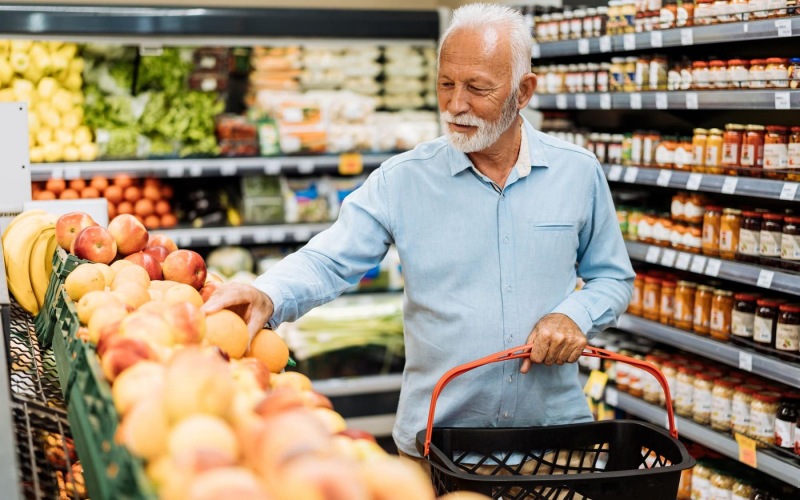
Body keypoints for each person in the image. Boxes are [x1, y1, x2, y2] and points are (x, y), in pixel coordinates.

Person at [203, 3, 634, 465]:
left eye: (477, 89)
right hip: (441, 450)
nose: (455, 105)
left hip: (554, 445)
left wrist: (574, 315)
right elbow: (329, 259)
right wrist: (268, 293)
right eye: (445, 84)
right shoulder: (402, 179)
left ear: (523, 91)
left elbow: (613, 278)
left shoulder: (577, 173)